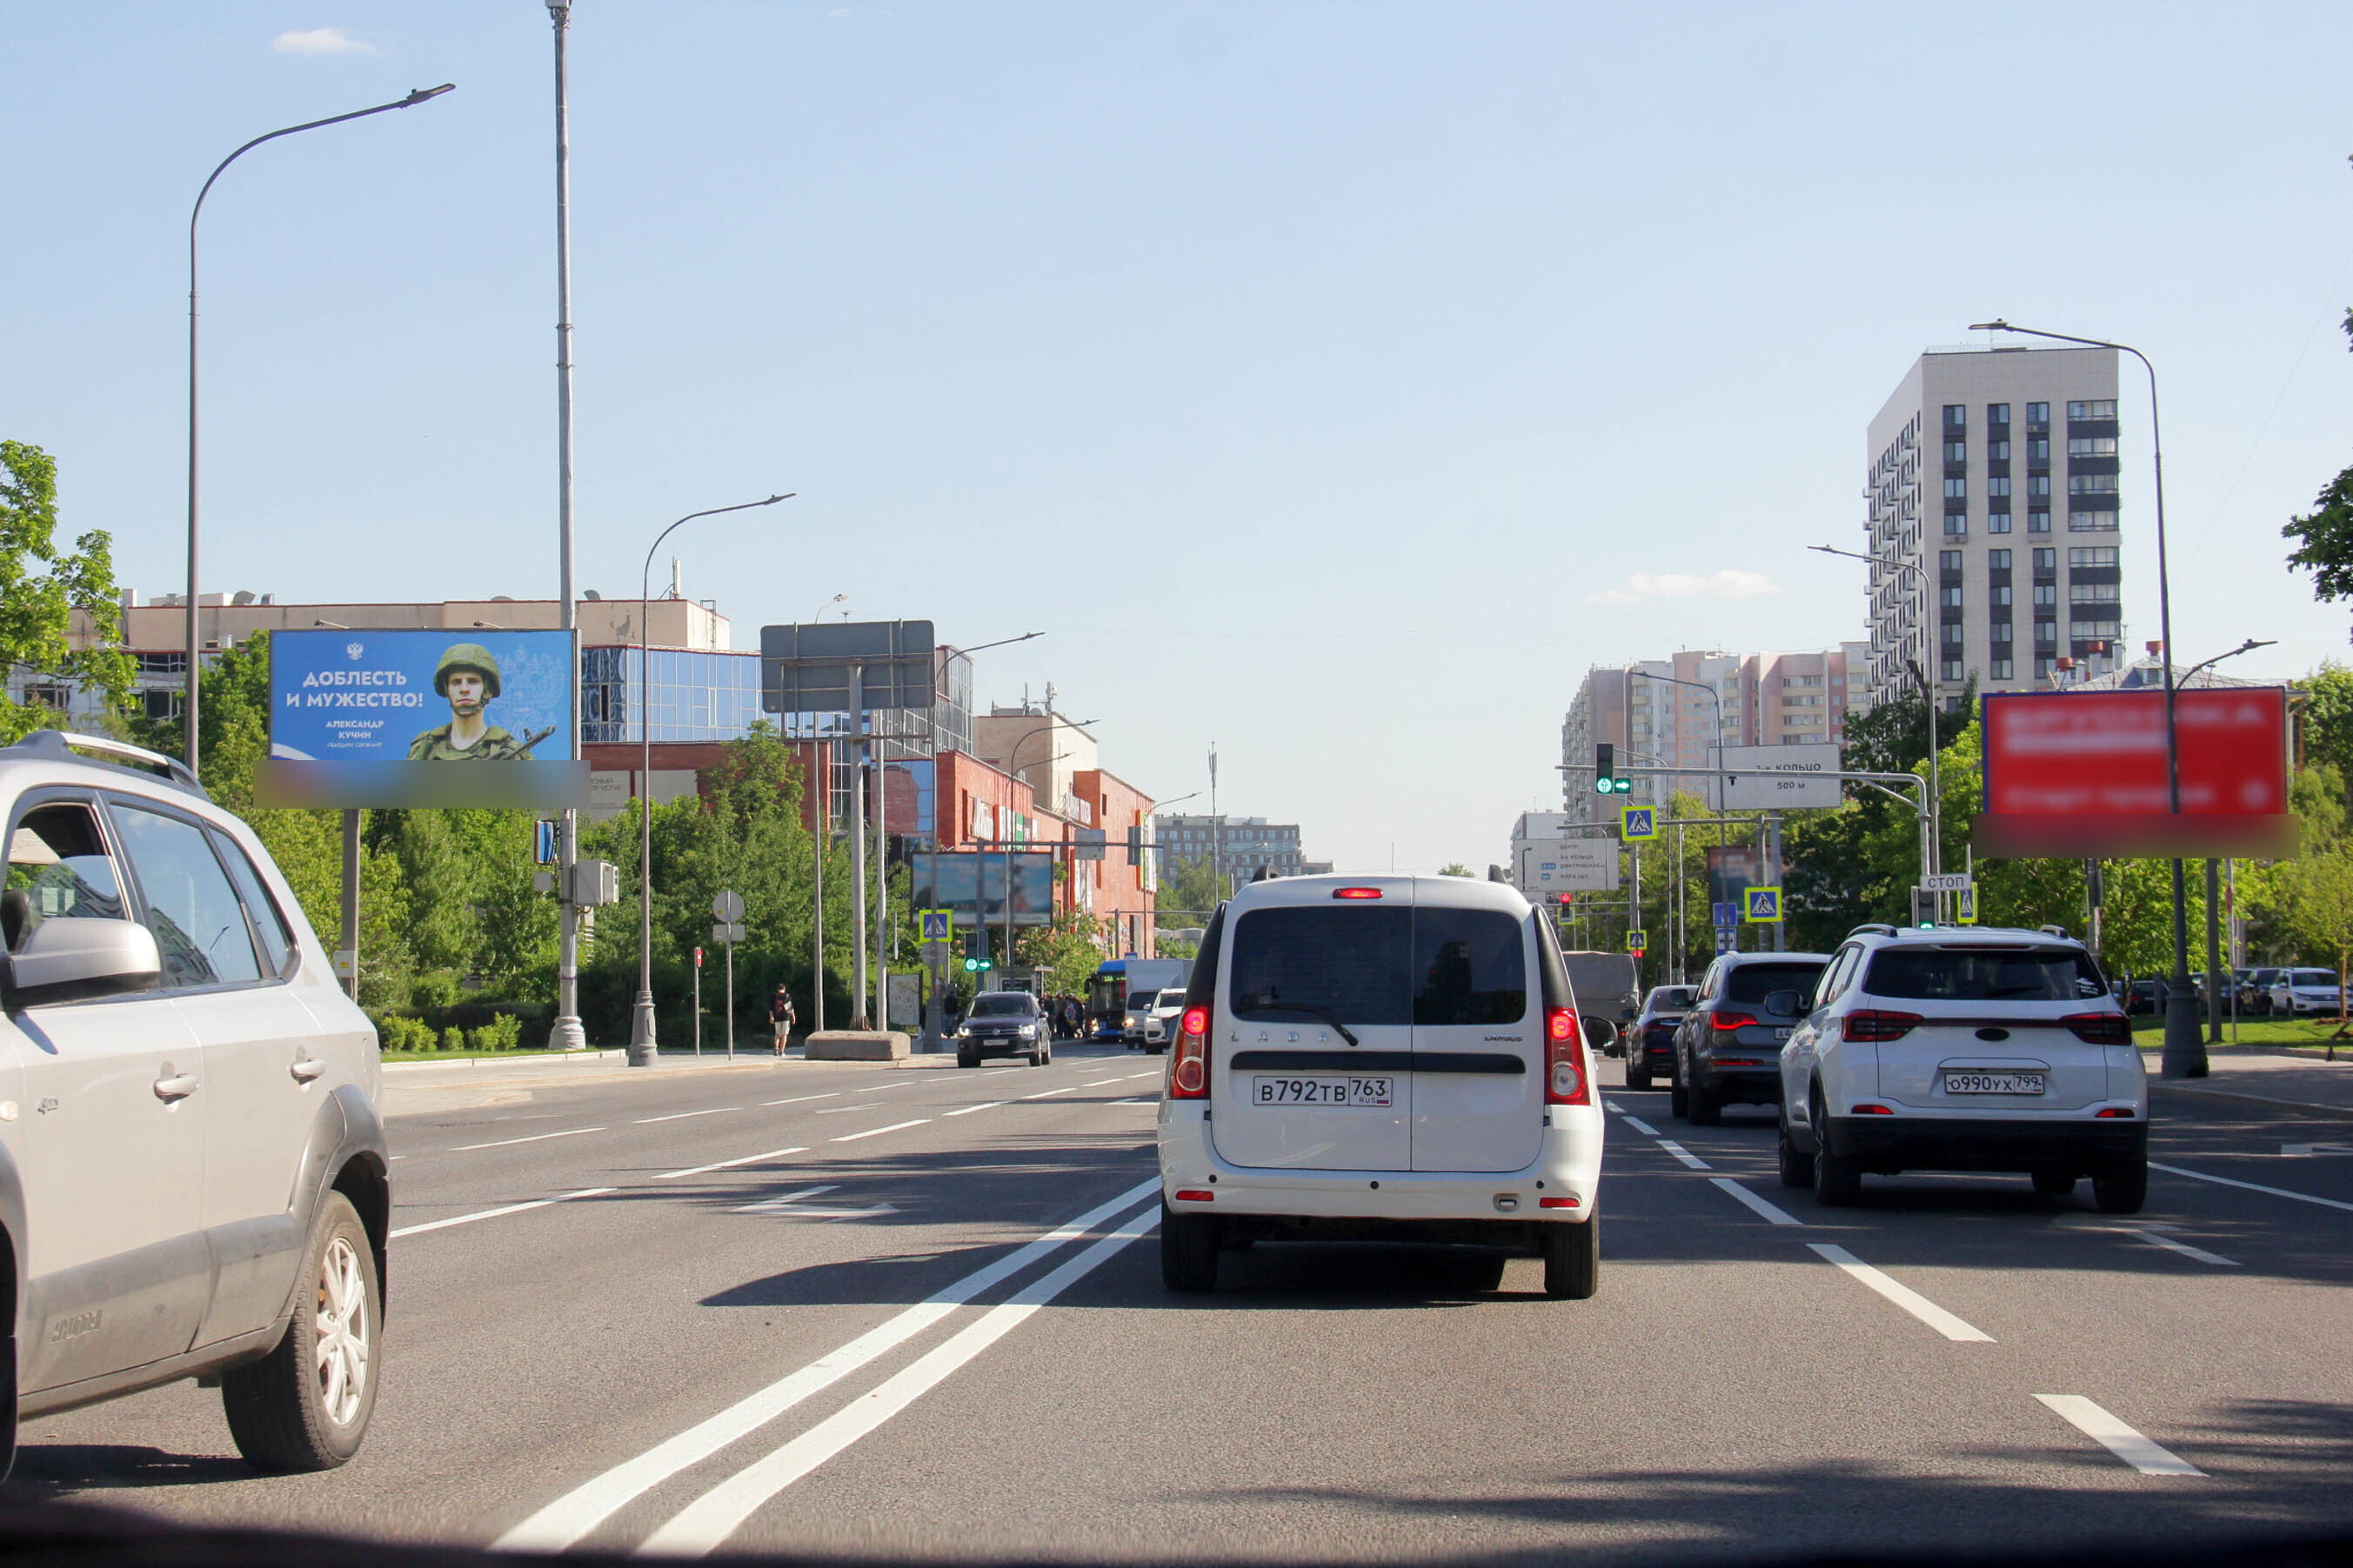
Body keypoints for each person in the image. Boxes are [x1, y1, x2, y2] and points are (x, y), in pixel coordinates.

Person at [407, 644, 536, 760]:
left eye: (473, 681)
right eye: (456, 682)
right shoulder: (425, 749)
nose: (464, 689)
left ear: (487, 691)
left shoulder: (509, 752)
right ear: (447, 690)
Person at [770, 984, 797, 1054]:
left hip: (777, 1017)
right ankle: (781, 1051)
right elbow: (789, 1008)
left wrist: (771, 1017)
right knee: (784, 1034)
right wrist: (793, 1016)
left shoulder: (774, 996)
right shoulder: (787, 996)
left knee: (777, 1034)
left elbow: (771, 1009)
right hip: (786, 1018)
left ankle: (776, 1048)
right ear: (784, 989)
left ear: (777, 989)